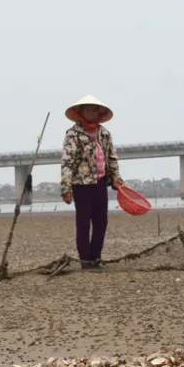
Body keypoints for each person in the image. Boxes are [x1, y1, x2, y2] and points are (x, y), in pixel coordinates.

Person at [60, 94, 124, 270]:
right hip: (81, 185)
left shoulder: (104, 134)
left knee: (101, 222)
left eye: (94, 110)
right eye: (88, 109)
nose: (91, 113)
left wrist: (117, 178)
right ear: (81, 112)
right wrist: (66, 188)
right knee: (83, 222)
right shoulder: (73, 135)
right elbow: (67, 162)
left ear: (99, 113)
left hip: (101, 182)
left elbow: (111, 158)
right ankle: (86, 261)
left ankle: (96, 257)